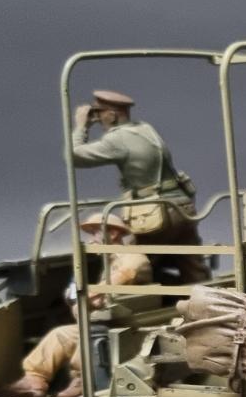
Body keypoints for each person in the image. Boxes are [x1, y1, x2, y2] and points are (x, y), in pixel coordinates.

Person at [0, 213, 152, 397]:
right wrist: (86, 300)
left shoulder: (132, 259)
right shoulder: (112, 262)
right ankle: (34, 381)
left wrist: (85, 298)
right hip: (111, 320)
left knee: (89, 333)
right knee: (59, 335)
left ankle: (83, 380)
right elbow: (105, 294)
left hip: (126, 324)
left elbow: (116, 282)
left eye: (95, 233)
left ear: (112, 234)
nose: (92, 240)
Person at [72, 89, 210, 283]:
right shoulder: (145, 128)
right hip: (181, 206)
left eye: (99, 113)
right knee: (193, 265)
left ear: (112, 115)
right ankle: (207, 296)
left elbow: (74, 156)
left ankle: (114, 296)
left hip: (156, 213)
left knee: (131, 262)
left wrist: (81, 126)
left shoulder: (117, 139)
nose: (98, 119)